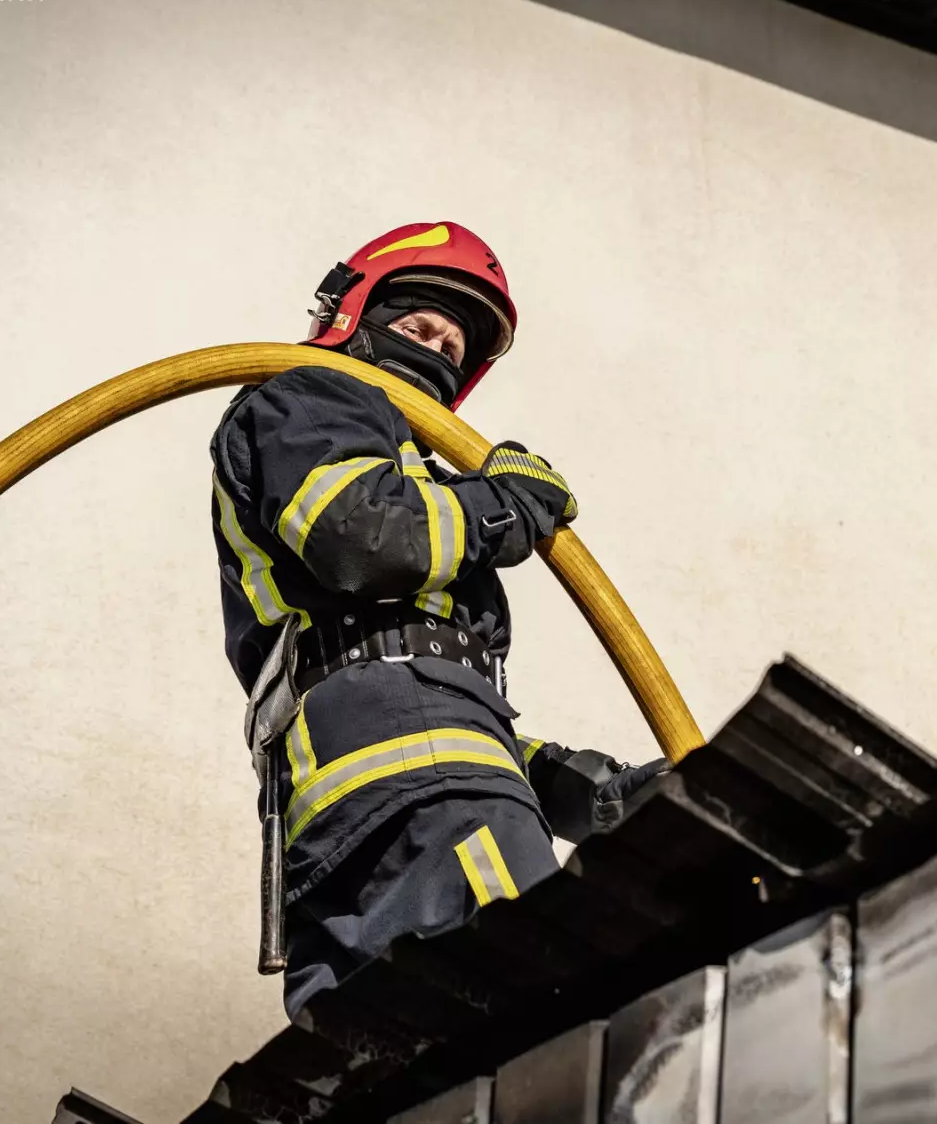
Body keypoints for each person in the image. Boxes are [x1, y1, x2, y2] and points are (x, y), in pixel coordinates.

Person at [208, 221, 666, 1016]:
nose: (438, 350)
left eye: (455, 347)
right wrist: (506, 502)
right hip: (419, 798)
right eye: (420, 327)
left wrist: (578, 787)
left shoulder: (397, 479)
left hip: (355, 816)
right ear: (354, 313)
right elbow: (361, 538)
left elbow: (405, 679)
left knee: (367, 1059)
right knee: (531, 1018)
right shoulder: (313, 395)